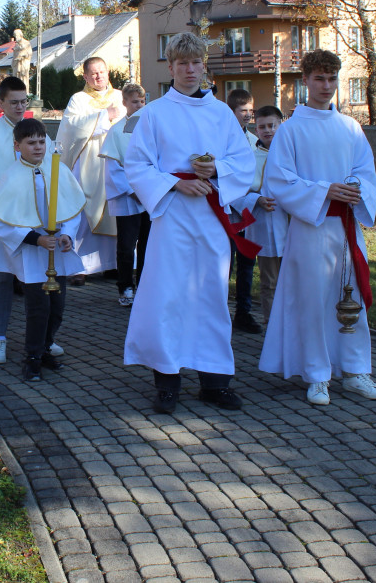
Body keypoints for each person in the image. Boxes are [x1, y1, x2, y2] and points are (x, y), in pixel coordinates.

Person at [124, 33, 257, 415]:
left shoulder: (222, 114)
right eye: (182, 63)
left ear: (203, 65)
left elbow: (243, 162)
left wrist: (216, 170)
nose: (189, 69)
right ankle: (167, 382)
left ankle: (215, 382)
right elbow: (136, 164)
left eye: (195, 62)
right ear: (170, 67)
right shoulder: (155, 114)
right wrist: (175, 183)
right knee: (168, 296)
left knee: (210, 296)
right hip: (173, 219)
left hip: (211, 220)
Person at [258, 49, 376, 406]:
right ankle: (317, 374)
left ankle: (356, 370)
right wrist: (324, 190)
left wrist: (355, 189)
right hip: (310, 227)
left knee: (349, 298)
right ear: (305, 81)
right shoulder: (291, 130)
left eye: (331, 79)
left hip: (346, 227)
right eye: (319, 79)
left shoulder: (350, 127)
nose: (326, 86)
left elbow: (365, 172)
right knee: (313, 302)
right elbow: (279, 180)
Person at [0, 118, 86, 382]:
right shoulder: (11, 177)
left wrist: (67, 234)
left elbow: (73, 208)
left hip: (56, 252)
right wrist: (35, 239)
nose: (38, 147)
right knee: (38, 307)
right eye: (31, 143)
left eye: (41, 142)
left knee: (57, 307)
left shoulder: (58, 170)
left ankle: (46, 347)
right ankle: (32, 358)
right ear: (17, 146)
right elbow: (2, 222)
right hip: (30, 252)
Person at [0, 75, 61, 364]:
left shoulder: (37, 132)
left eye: (24, 102)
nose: (20, 107)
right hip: (6, 221)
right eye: (14, 102)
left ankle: (44, 338)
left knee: (41, 279)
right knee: (2, 279)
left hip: (39, 220)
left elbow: (53, 173)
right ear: (0, 101)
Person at [56, 56, 126, 283]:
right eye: (93, 73)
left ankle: (114, 264)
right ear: (85, 76)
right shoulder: (79, 99)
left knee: (116, 210)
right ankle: (79, 268)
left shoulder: (120, 96)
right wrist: (105, 116)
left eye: (102, 71)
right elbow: (72, 128)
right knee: (84, 213)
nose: (98, 76)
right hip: (87, 162)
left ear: (108, 72)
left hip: (115, 162)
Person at [99, 82, 150, 308]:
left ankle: (146, 286)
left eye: (142, 101)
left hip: (150, 196)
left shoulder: (151, 129)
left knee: (148, 244)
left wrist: (149, 189)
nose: (139, 105)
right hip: (128, 197)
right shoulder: (116, 131)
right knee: (127, 245)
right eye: (134, 102)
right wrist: (133, 190)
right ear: (125, 103)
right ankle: (125, 286)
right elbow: (113, 168)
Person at [239, 105, 288, 324]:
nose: (268, 130)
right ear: (256, 129)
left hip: (292, 226)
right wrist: (256, 200)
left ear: (281, 125)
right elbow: (237, 193)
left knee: (295, 280)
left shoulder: (291, 155)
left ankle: (294, 328)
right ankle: (272, 328)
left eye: (272, 126)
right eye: (262, 127)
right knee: (270, 281)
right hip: (265, 226)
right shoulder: (250, 158)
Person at [225, 87, 263, 334]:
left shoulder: (253, 141)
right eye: (243, 111)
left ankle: (243, 312)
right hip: (228, 209)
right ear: (232, 111)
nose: (248, 115)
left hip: (249, 210)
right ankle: (219, 311)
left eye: (251, 110)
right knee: (225, 264)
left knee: (247, 264)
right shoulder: (222, 138)